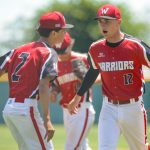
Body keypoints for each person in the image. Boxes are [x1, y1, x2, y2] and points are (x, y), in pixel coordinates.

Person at [67, 4, 150, 150]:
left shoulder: (135, 46)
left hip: (133, 107)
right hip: (109, 107)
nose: (103, 25)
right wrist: (77, 96)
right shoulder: (95, 48)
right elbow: (92, 72)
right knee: (105, 147)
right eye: (100, 21)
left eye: (107, 21)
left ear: (118, 21)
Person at [0, 11, 73, 150]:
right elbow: (44, 86)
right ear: (53, 33)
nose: (65, 34)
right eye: (63, 30)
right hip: (26, 109)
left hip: (9, 109)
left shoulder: (18, 50)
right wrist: (47, 120)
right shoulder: (49, 53)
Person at [50, 32, 100, 150]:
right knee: (81, 145)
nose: (61, 54)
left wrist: (86, 80)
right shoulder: (55, 64)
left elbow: (101, 76)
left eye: (63, 50)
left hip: (82, 108)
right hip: (66, 109)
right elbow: (56, 84)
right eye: (58, 51)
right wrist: (54, 92)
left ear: (70, 45)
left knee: (72, 146)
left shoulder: (82, 59)